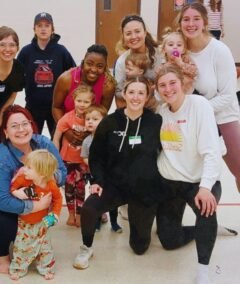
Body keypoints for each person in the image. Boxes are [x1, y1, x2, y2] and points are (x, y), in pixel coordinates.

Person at [73, 76, 164, 270]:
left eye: (141, 93)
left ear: (147, 96)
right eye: (132, 92)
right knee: (90, 207)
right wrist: (97, 181)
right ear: (124, 94)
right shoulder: (109, 122)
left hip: (143, 189)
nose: (136, 97)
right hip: (115, 185)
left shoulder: (155, 121)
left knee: (139, 248)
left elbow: (166, 152)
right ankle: (86, 247)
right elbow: (96, 156)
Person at [154, 64, 230, 284]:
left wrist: (206, 188)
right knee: (168, 241)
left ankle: (203, 270)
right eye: (162, 85)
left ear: (182, 83)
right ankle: (205, 229)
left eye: (172, 83)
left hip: (199, 182)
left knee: (206, 210)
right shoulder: (161, 111)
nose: (168, 89)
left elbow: (211, 152)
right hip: (171, 182)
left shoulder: (200, 106)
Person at [0, 105, 66, 274]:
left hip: (30, 192)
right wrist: (36, 206)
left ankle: (33, 246)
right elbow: (3, 201)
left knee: (36, 222)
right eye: (14, 126)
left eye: (25, 123)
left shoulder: (43, 143)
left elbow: (62, 173)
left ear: (32, 125)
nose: (21, 130)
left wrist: (42, 177)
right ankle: (1, 255)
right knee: (5, 224)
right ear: (5, 132)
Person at [177, 2, 240, 192]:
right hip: (193, 122)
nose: (191, 24)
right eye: (186, 19)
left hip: (223, 118)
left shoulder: (219, 50)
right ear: (179, 23)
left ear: (205, 22)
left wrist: (197, 111)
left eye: (196, 19)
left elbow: (227, 96)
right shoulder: (179, 50)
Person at [17, 12, 76, 136]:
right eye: (39, 25)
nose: (43, 28)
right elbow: (16, 76)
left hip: (56, 106)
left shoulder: (61, 51)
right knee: (32, 140)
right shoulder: (26, 52)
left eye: (47, 25)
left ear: (52, 29)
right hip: (33, 105)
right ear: (34, 29)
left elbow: (73, 74)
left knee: (58, 141)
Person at [9, 149, 63, 280]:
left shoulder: (51, 185)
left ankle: (46, 268)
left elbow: (58, 199)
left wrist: (54, 214)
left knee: (45, 248)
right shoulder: (23, 179)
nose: (24, 169)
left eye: (28, 168)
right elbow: (12, 188)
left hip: (42, 221)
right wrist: (17, 193)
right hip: (24, 222)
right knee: (21, 247)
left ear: (42, 173)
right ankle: (18, 268)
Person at [53, 85, 93, 227]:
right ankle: (71, 214)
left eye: (86, 102)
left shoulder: (91, 119)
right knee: (69, 188)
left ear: (91, 103)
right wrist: (55, 158)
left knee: (81, 188)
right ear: (74, 100)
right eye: (79, 101)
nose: (82, 105)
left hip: (83, 160)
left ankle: (79, 214)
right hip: (67, 160)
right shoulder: (66, 118)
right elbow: (56, 138)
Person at [81, 105, 122, 233]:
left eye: (95, 119)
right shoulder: (87, 141)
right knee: (97, 199)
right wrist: (95, 164)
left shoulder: (111, 138)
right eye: (88, 119)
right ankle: (97, 222)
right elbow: (84, 157)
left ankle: (114, 223)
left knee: (112, 200)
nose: (90, 122)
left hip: (111, 176)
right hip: (95, 176)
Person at [114, 14, 163, 108]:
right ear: (123, 37)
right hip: (133, 110)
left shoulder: (160, 54)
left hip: (158, 109)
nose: (133, 36)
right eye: (128, 33)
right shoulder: (122, 61)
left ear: (145, 33)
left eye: (137, 31)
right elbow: (119, 98)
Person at [159, 28, 198, 94]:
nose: (175, 47)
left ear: (183, 50)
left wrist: (180, 63)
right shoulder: (163, 65)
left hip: (187, 94)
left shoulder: (186, 60)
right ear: (164, 49)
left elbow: (194, 73)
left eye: (179, 45)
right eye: (171, 45)